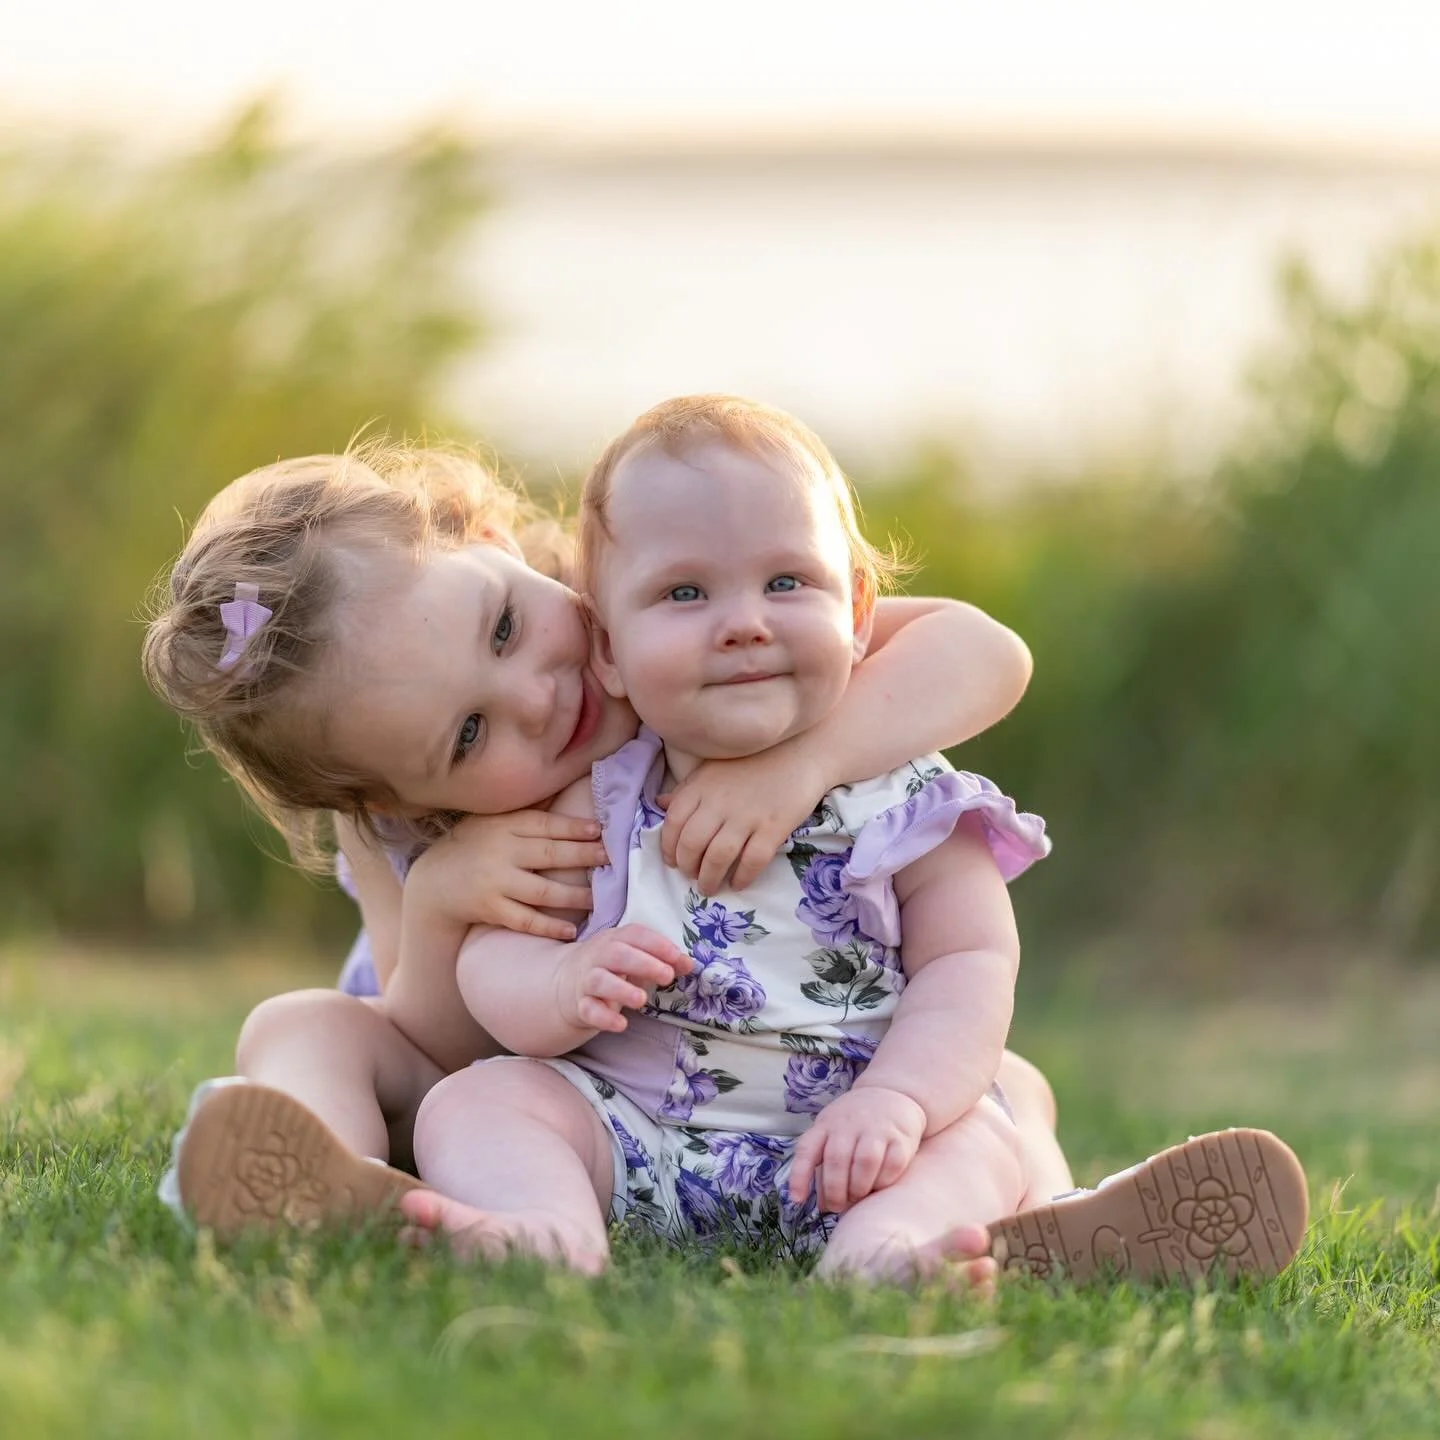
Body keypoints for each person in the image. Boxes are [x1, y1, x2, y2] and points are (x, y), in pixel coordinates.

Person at [382, 397, 1310, 1289]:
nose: (744, 620)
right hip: (642, 1140)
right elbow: (494, 955)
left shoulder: (909, 797)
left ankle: (888, 1256)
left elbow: (970, 964)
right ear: (609, 651)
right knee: (480, 1100)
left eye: (786, 582)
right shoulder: (605, 791)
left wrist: (900, 1102)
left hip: (854, 1144)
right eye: (684, 592)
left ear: (860, 612)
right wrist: (559, 986)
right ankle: (546, 1235)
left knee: (977, 1136)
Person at [143, 438, 1070, 1243]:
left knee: (999, 1080)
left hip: (785, 1065)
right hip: (535, 1088)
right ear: (392, 797)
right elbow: (442, 1049)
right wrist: (439, 903)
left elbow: (985, 653)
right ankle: (322, 1179)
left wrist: (803, 763)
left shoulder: (657, 633)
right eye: (469, 736)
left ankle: (1043, 1204)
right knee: (298, 1025)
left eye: (504, 626)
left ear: (494, 544)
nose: (537, 697)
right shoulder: (394, 831)